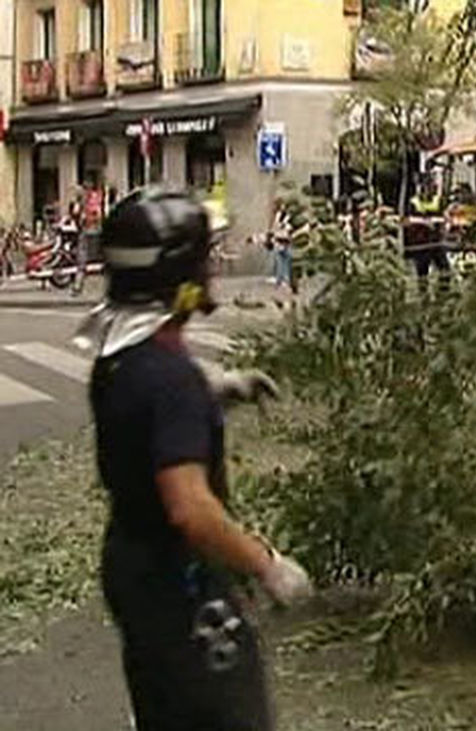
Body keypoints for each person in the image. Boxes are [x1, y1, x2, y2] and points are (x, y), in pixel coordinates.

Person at [74, 188, 312, 731]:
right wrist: (266, 564)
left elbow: (139, 409)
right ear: (179, 277)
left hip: (132, 563)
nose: (212, 272)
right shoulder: (169, 380)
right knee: (223, 712)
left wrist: (213, 392)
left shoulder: (118, 356)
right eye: (204, 260)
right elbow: (190, 508)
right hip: (180, 580)